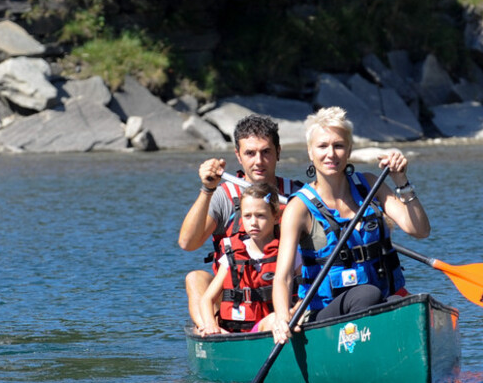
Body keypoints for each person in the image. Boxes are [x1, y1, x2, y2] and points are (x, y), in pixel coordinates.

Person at [261, 106, 430, 344]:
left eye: (338, 145)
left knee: (412, 306)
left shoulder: (370, 184)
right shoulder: (298, 208)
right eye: (322, 146)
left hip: (379, 302)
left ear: (349, 150)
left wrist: (401, 181)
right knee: (367, 293)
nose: (331, 154)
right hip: (324, 314)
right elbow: (283, 277)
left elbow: (420, 230)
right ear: (310, 152)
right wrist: (281, 317)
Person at [178, 114, 301, 333]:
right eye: (250, 153)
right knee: (195, 278)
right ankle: (212, 330)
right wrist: (207, 189)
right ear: (239, 156)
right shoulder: (224, 196)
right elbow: (188, 243)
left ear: (278, 152)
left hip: (284, 295)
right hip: (237, 299)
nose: (258, 161)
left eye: (266, 152)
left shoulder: (297, 196)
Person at [196, 183, 283, 336]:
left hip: (275, 326)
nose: (253, 222)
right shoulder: (231, 254)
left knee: (275, 318)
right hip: (237, 332)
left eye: (260, 215)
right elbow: (206, 300)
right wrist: (210, 324)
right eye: (247, 216)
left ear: (276, 217)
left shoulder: (287, 252)